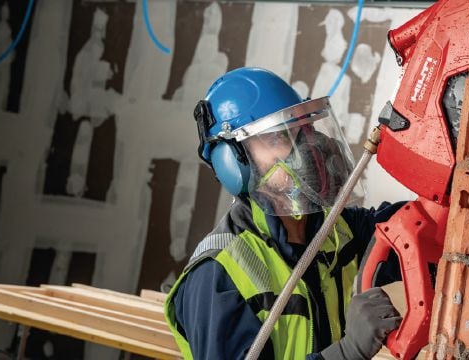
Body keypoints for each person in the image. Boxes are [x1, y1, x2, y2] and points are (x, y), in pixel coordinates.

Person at [163, 67, 403, 360]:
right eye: (275, 138)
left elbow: (411, 231)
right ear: (233, 163)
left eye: (301, 131)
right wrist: (346, 353)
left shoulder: (335, 230)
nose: (304, 151)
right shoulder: (219, 275)